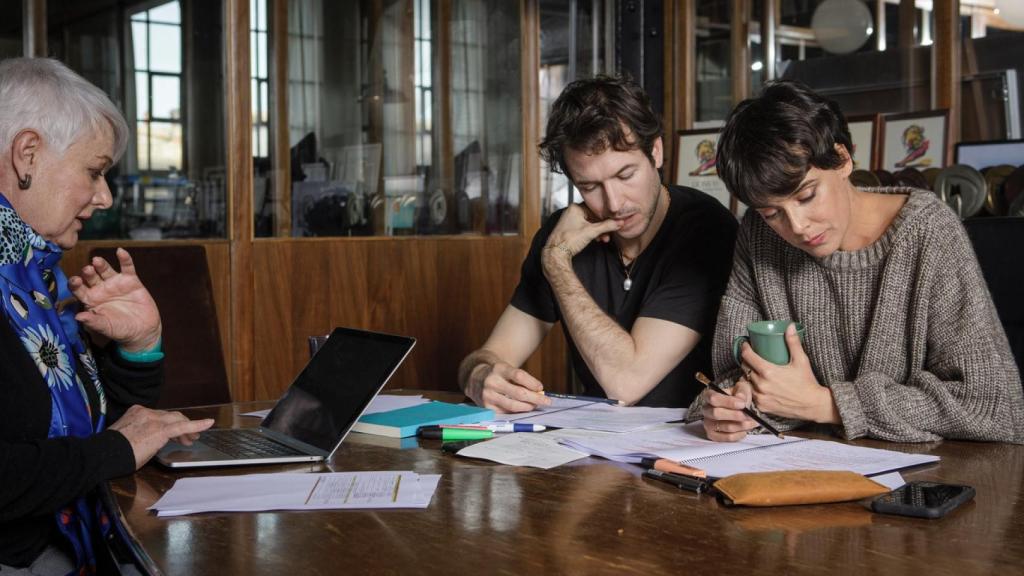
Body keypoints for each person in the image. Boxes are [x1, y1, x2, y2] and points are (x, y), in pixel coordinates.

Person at [689, 80, 1024, 444]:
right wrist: (730, 407)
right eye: (772, 213)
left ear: (843, 159)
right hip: (804, 463)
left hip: (929, 472)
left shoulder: (928, 231)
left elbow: (992, 406)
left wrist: (827, 404)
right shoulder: (758, 235)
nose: (797, 227)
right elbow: (730, 374)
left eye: (807, 196)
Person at [0, 57, 214, 574]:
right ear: (28, 154)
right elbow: (96, 450)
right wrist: (117, 449)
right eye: (94, 171)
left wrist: (139, 348)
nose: (105, 197)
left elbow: (86, 434)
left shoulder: (30, 275)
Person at [459, 75, 737, 412]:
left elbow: (626, 383)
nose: (615, 203)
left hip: (694, 435)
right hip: (592, 436)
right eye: (590, 187)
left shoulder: (706, 229)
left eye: (625, 175)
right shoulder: (561, 236)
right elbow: (491, 354)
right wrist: (479, 376)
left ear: (656, 152)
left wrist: (557, 265)